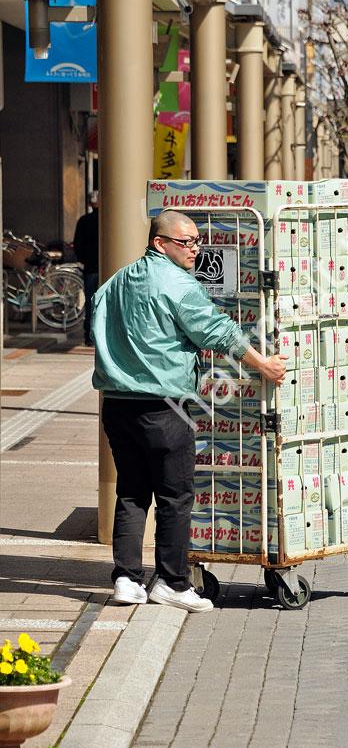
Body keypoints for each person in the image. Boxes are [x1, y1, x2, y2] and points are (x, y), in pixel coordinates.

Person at [92, 210, 287, 613]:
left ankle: (127, 579)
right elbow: (216, 330)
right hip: (164, 407)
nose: (196, 249)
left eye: (198, 241)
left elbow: (93, 317)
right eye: (186, 242)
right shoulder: (177, 283)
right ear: (160, 243)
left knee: (131, 491)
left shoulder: (117, 281)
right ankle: (173, 582)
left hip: (116, 404)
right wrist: (263, 364)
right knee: (175, 496)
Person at [73, 191, 99, 346]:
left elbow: (77, 244)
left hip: (90, 267)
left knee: (90, 302)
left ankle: (89, 335)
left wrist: (83, 259)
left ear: (90, 204)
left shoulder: (84, 221)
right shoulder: (109, 219)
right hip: (107, 266)